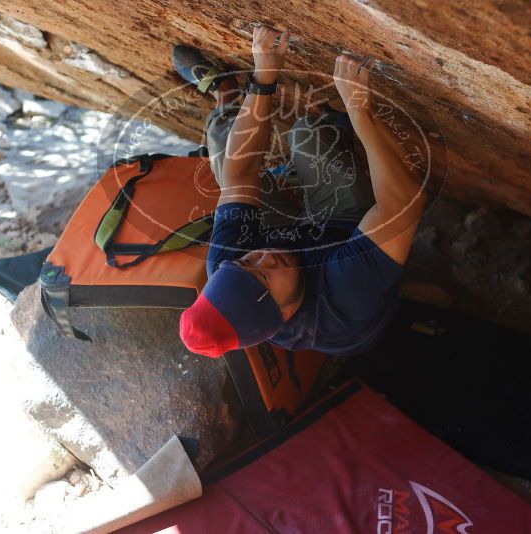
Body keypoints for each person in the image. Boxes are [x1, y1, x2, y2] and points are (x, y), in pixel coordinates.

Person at [173, 25, 426, 358]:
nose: (265, 255)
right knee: (309, 137)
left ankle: (227, 93)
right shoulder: (343, 300)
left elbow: (240, 175)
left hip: (295, 233)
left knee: (225, 154)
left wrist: (263, 78)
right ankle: (344, 137)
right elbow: (404, 205)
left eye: (248, 261)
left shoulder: (229, 267)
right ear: (285, 315)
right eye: (264, 275)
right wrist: (360, 110)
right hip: (343, 233)